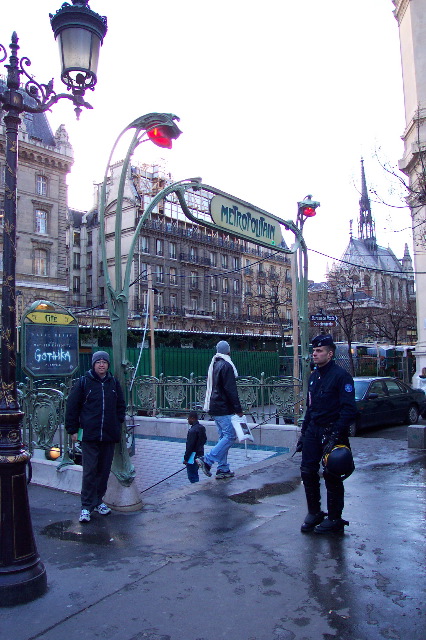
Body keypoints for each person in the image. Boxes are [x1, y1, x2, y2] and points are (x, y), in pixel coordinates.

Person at [297, 334, 357, 534]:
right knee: (307, 470)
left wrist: (335, 434)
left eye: (319, 351)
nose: (314, 354)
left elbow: (349, 409)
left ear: (330, 354)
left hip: (332, 429)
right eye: (314, 351)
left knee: (332, 473)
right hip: (314, 429)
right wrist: (303, 434)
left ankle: (334, 518)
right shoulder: (314, 377)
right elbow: (310, 408)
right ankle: (314, 512)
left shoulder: (341, 376)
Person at [65, 351, 126, 523]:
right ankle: (86, 506)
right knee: (90, 471)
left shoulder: (113, 382)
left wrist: (117, 421)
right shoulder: (84, 382)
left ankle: (99, 501)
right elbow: (72, 406)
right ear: (93, 364)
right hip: (90, 435)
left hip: (108, 435)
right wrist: (73, 430)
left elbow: (120, 405)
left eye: (104, 362)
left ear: (108, 365)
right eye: (98, 362)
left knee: (103, 471)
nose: (101, 365)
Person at [197, 340, 243, 480]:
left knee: (223, 437)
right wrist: (238, 409)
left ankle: (223, 468)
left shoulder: (215, 364)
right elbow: (231, 390)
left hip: (213, 406)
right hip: (223, 408)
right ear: (228, 352)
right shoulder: (227, 365)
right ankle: (208, 460)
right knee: (230, 436)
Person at [183, 411, 207, 483]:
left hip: (192, 456)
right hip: (200, 454)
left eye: (188, 418)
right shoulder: (202, 428)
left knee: (192, 476)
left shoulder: (192, 431)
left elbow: (189, 446)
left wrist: (186, 458)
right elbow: (204, 440)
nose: (188, 420)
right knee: (195, 473)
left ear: (192, 418)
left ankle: (196, 491)